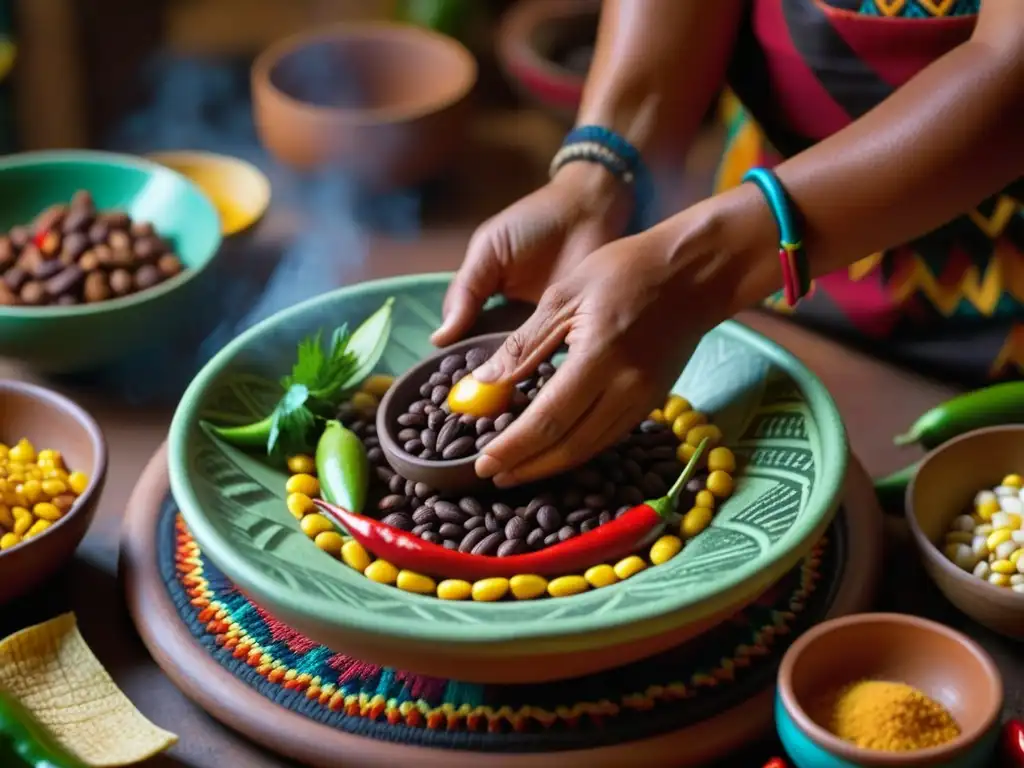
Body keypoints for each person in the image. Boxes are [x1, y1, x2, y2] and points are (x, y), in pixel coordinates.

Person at [432, 0, 1023, 488]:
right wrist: (597, 175)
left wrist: (703, 266)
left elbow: (1012, 67)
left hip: (995, 324)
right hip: (751, 276)